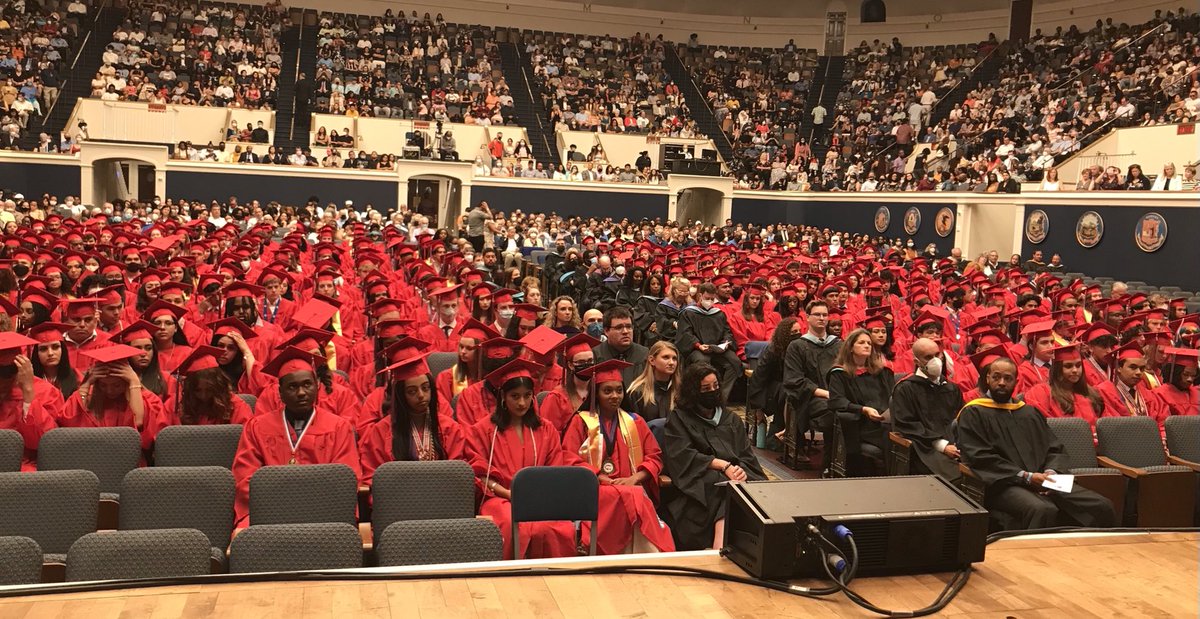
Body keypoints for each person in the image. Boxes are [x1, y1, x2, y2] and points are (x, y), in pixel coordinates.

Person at [956, 356, 1117, 530]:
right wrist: (1026, 477)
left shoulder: (1028, 412)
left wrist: (1050, 472)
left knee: (1101, 505)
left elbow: (1054, 448)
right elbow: (979, 457)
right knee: (1042, 509)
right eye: (996, 377)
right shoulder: (973, 413)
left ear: (1016, 382)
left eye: (1008, 378)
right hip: (1003, 484)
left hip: (1044, 480)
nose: (1002, 382)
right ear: (987, 379)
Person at [467, 358, 584, 559]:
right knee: (509, 522)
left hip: (540, 500)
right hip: (499, 499)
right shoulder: (484, 431)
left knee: (553, 527)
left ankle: (553, 578)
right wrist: (508, 493)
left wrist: (536, 497)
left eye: (527, 396)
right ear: (502, 396)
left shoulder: (545, 429)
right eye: (515, 396)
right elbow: (479, 474)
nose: (522, 403)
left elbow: (554, 471)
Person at [231, 347, 362, 527]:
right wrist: (281, 506)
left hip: (324, 513)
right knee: (245, 535)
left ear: (317, 386)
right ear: (280, 392)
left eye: (307, 384)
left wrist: (305, 505)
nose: (301, 392)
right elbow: (245, 478)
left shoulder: (339, 427)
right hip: (269, 512)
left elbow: (345, 479)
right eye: (292, 387)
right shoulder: (257, 427)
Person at [562, 360, 676, 554]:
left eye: (618, 390)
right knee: (633, 496)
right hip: (595, 490)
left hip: (632, 487)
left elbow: (655, 457)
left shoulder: (635, 422)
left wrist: (635, 478)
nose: (615, 396)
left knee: (634, 494)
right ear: (596, 394)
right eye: (607, 391)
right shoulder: (580, 422)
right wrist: (599, 477)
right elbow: (568, 458)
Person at [661, 362, 765, 550]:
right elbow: (681, 455)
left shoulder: (731, 419)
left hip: (735, 473)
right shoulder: (679, 419)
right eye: (705, 388)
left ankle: (727, 542)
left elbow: (746, 455)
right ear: (693, 392)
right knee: (723, 486)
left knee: (741, 485)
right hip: (700, 476)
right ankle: (720, 543)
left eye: (716, 386)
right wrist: (720, 465)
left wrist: (740, 470)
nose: (713, 391)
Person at [358, 353, 483, 487]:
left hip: (443, 498)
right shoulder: (381, 431)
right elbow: (373, 478)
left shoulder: (449, 428)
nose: (421, 395)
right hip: (398, 501)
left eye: (425, 388)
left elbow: (458, 472)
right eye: (412, 391)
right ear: (401, 396)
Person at [56, 344, 169, 451]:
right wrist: (87, 383)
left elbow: (139, 423)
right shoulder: (90, 396)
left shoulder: (148, 399)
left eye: (116, 385)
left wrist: (134, 381)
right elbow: (69, 423)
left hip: (130, 459)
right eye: (103, 385)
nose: (109, 390)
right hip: (91, 456)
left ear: (126, 381)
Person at [890, 338, 963, 483]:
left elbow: (961, 419)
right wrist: (942, 446)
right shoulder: (905, 389)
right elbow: (907, 426)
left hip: (955, 446)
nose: (935, 361)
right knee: (958, 479)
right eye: (928, 357)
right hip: (924, 448)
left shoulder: (951, 388)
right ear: (917, 362)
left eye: (937, 355)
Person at [826, 328, 894, 476]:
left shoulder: (882, 372)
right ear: (850, 347)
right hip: (861, 423)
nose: (867, 345)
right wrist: (864, 409)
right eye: (861, 342)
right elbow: (836, 401)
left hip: (886, 420)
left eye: (869, 343)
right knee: (891, 437)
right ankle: (891, 476)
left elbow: (892, 396)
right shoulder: (840, 373)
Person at [783, 300, 841, 467]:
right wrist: (825, 393)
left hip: (835, 396)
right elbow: (795, 380)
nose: (822, 318)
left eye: (825, 315)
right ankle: (829, 464)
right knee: (834, 414)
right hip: (809, 399)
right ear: (807, 317)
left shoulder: (838, 344)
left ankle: (848, 462)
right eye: (817, 315)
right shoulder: (797, 346)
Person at [0, 331, 62, 470]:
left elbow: (49, 444)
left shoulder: (45, 391)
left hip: (24, 469)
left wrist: (28, 392)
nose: (4, 379)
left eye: (10, 371)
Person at [676, 283, 742, 401]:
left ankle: (721, 397)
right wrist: (698, 345)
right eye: (707, 298)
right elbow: (685, 334)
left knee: (734, 362)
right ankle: (700, 396)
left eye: (712, 299)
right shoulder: (689, 313)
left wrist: (725, 343)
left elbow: (727, 331)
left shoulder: (718, 313)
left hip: (717, 347)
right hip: (698, 348)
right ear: (700, 296)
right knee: (703, 361)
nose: (710, 301)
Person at [1023, 344, 1105, 429]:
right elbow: (1043, 426)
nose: (1075, 370)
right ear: (1057, 369)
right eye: (1068, 366)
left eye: (1078, 365)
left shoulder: (1090, 393)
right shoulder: (1042, 392)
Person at [1096, 342, 1169, 429]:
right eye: (1133, 367)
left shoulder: (1149, 395)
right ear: (1118, 367)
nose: (1139, 372)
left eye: (1142, 368)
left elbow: (1163, 421)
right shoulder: (1103, 392)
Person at [592, 306, 648, 388]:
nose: (625, 332)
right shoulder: (596, 354)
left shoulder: (644, 354)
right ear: (606, 331)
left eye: (629, 327)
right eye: (619, 327)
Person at [625, 341, 680, 423]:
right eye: (666, 357)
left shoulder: (680, 391)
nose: (672, 362)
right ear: (652, 360)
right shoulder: (637, 392)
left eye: (674, 358)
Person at [28, 322, 80, 400]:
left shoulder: (77, 377)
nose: (50, 353)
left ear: (63, 350)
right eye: (43, 349)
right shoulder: (29, 381)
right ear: (36, 353)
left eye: (55, 347)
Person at [1153, 348, 1198, 418]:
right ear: (1175, 373)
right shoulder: (1160, 394)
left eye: (1193, 376)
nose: (1190, 379)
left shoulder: (1196, 393)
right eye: (1185, 374)